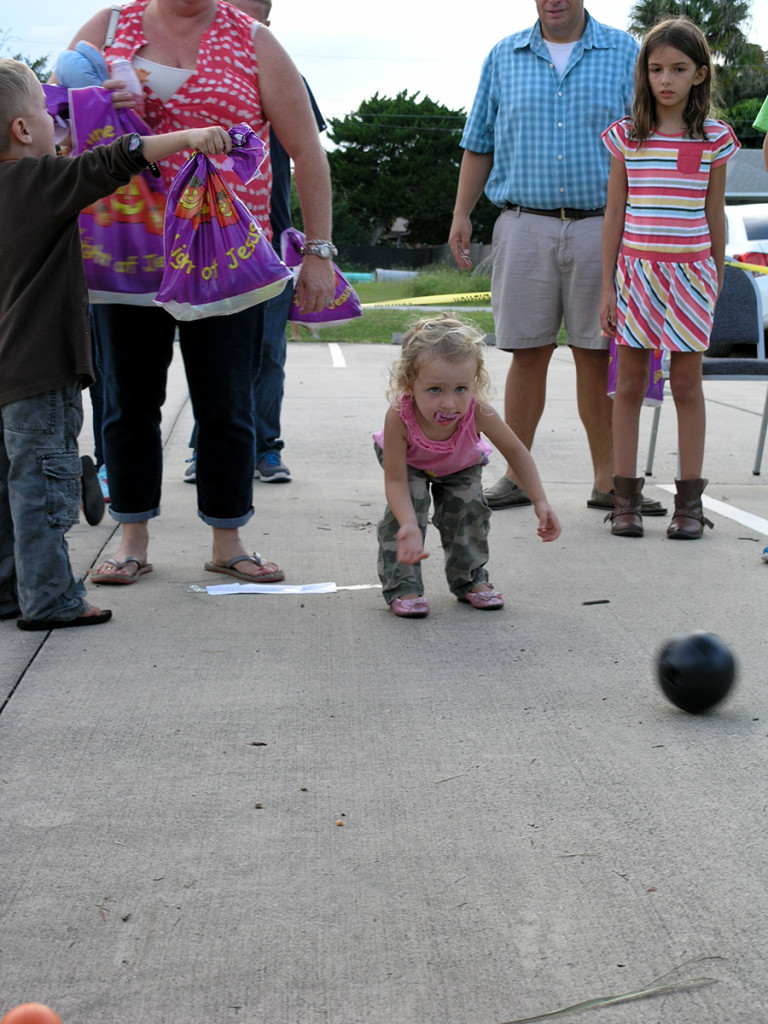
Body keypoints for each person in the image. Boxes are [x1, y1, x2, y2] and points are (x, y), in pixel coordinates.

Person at [61, 0, 335, 584]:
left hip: (227, 257)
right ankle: (131, 538)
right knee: (127, 403)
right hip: (126, 251)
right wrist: (99, 99)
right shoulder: (108, 27)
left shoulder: (254, 40)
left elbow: (307, 151)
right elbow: (55, 124)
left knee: (227, 403)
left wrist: (317, 253)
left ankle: (228, 539)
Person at [0, 58, 231, 628]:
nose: (60, 123)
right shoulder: (39, 183)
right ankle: (53, 600)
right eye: (49, 113)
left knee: (7, 492)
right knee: (43, 491)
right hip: (39, 371)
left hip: (5, 373)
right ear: (23, 131)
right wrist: (191, 135)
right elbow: (115, 159)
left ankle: (10, 590)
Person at [448, 0, 666, 519]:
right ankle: (515, 477)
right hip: (524, 223)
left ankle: (610, 482)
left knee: (596, 353)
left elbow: (650, 140)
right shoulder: (503, 56)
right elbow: (478, 143)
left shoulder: (624, 52)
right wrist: (461, 213)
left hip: (603, 225)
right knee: (527, 353)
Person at [600, 17, 739, 540]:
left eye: (679, 69)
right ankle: (626, 500)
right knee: (631, 384)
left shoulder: (715, 140)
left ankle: (688, 505)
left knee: (686, 385)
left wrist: (716, 276)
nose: (666, 79)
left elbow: (714, 212)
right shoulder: (626, 136)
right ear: (644, 73)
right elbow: (614, 215)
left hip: (692, 276)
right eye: (656, 68)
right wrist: (607, 286)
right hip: (636, 275)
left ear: (699, 74)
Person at [183, 0, 327, 486]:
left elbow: (310, 155)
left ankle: (266, 448)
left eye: (250, 15)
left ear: (265, 23)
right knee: (209, 358)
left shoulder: (281, 75)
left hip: (267, 246)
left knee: (267, 355)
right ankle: (204, 448)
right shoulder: (196, 72)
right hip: (200, 242)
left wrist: (316, 248)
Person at [374, 315, 561, 618]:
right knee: (408, 508)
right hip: (408, 464)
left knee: (468, 509)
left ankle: (470, 578)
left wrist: (540, 500)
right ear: (410, 384)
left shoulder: (479, 412)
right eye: (435, 390)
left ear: (474, 381)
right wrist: (409, 523)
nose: (449, 404)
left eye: (461, 388)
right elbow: (395, 481)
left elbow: (517, 451)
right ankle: (403, 585)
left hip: (459, 464)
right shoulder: (399, 416)